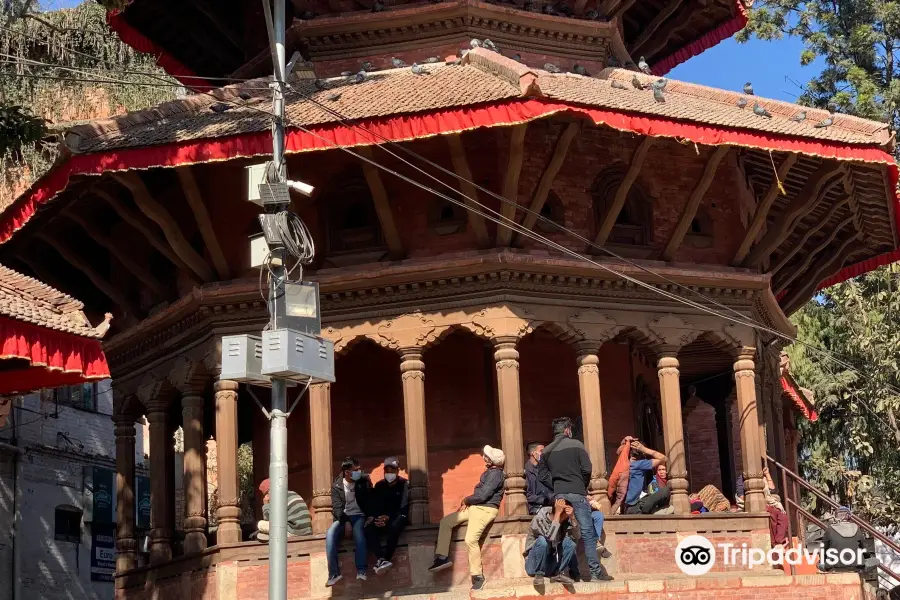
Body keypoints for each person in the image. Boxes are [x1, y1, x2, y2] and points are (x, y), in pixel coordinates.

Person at [538, 417, 612, 581]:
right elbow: (587, 469)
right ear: (567, 430)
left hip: (559, 495)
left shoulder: (547, 451)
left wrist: (557, 485)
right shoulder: (577, 445)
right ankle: (595, 572)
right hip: (578, 493)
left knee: (561, 532)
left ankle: (562, 572)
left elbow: (542, 476)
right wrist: (581, 485)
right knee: (587, 531)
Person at [429, 445, 506, 591]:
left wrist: (467, 499)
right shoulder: (490, 472)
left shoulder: (496, 474)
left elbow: (483, 495)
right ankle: (442, 557)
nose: (484, 457)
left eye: (487, 456)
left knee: (471, 539)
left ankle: (477, 576)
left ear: (492, 460)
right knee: (446, 522)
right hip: (475, 508)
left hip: (485, 508)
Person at [326, 457, 373, 586]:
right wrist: (346, 522)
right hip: (343, 517)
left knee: (359, 533)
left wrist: (370, 515)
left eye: (359, 469)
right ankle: (334, 573)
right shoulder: (337, 486)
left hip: (359, 515)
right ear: (347, 472)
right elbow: (337, 508)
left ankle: (361, 570)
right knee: (330, 535)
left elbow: (370, 500)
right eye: (355, 470)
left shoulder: (363, 481)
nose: (359, 472)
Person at [365, 457, 409, 575]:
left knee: (394, 527)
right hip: (382, 518)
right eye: (387, 471)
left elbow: (404, 507)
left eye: (392, 471)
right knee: (368, 528)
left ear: (397, 471)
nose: (390, 474)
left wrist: (388, 517)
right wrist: (376, 518)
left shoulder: (404, 484)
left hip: (398, 516)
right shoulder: (379, 485)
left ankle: (387, 558)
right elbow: (375, 505)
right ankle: (381, 558)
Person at [523, 498, 580, 585]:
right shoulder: (539, 519)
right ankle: (539, 575)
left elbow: (577, 537)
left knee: (570, 543)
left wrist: (573, 518)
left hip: (550, 564)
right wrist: (558, 514)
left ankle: (559, 573)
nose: (567, 518)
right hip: (533, 565)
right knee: (542, 540)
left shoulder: (565, 522)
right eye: (566, 515)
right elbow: (550, 537)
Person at [255, 478, 313, 542]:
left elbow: (270, 520)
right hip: (307, 531)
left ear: (268, 492)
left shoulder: (277, 497)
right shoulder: (292, 493)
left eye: (265, 494)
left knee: (260, 524)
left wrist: (266, 505)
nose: (265, 497)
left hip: (294, 532)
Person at [622, 439, 669, 514]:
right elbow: (664, 458)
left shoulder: (625, 465)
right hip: (636, 506)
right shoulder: (638, 464)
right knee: (667, 490)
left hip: (628, 506)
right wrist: (643, 449)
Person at [525, 441, 553, 515]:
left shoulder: (546, 469)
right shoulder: (526, 471)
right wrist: (544, 500)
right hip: (536, 508)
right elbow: (529, 495)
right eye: (541, 451)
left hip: (550, 504)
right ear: (533, 454)